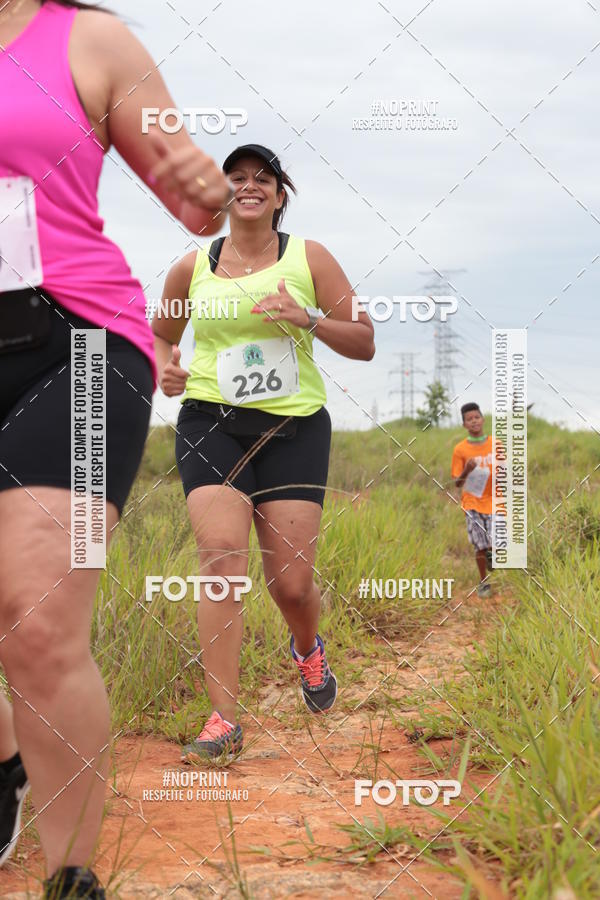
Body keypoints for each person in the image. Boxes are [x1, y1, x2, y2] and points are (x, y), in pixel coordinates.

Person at [0, 1, 232, 896]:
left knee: (38, 617)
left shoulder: (86, 38)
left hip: (82, 350)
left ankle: (72, 878)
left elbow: (186, 187)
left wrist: (197, 183)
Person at [153, 143, 375, 761]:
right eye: (236, 178)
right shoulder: (189, 269)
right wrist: (166, 372)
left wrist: (307, 318)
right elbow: (161, 337)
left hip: (293, 430)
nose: (248, 186)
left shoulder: (310, 258)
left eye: (263, 179)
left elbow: (363, 341)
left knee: (292, 584)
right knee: (221, 555)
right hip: (209, 423)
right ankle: (222, 719)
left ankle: (307, 648)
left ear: (280, 196)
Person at [451, 402, 497, 597]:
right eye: (469, 419)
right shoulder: (460, 450)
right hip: (472, 503)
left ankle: (492, 556)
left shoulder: (496, 444)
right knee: (480, 544)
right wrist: (467, 469)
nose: (474, 421)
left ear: (483, 419)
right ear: (464, 425)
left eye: (476, 417)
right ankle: (483, 582)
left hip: (495, 501)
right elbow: (457, 483)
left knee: (494, 541)